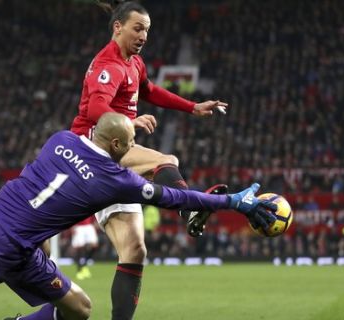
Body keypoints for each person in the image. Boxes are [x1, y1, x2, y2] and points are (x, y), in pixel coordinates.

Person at [0, 112, 277, 320]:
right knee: (79, 309)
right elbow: (175, 197)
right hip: (13, 242)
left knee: (32, 249)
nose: (132, 150)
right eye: (129, 144)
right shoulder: (116, 181)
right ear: (116, 145)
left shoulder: (61, 139)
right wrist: (233, 201)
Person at [70, 2, 228, 318]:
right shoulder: (108, 64)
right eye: (137, 28)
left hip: (113, 154)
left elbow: (150, 90)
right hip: (92, 149)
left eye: (147, 30)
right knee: (164, 159)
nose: (143, 35)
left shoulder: (134, 63)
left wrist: (192, 106)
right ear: (118, 27)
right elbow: (94, 110)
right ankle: (190, 208)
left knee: (134, 250)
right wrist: (128, 123)